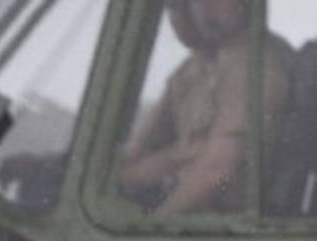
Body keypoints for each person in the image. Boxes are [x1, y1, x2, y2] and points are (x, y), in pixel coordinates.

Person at [117, 0, 293, 214]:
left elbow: (218, 172)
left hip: (225, 223)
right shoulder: (192, 70)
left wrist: (156, 223)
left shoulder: (257, 64)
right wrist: (174, 157)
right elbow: (127, 164)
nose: (204, 6)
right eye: (173, 7)